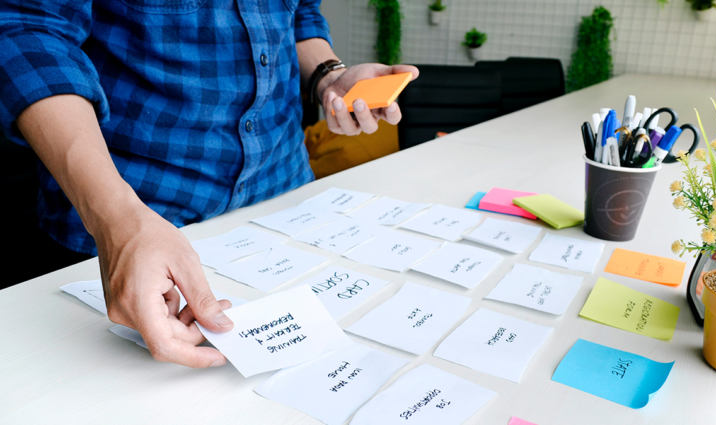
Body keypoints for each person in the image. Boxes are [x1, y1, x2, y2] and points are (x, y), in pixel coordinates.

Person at [0, 0, 417, 369]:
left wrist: (328, 75)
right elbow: (26, 29)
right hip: (134, 221)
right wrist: (116, 220)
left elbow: (300, 11)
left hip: (282, 197)